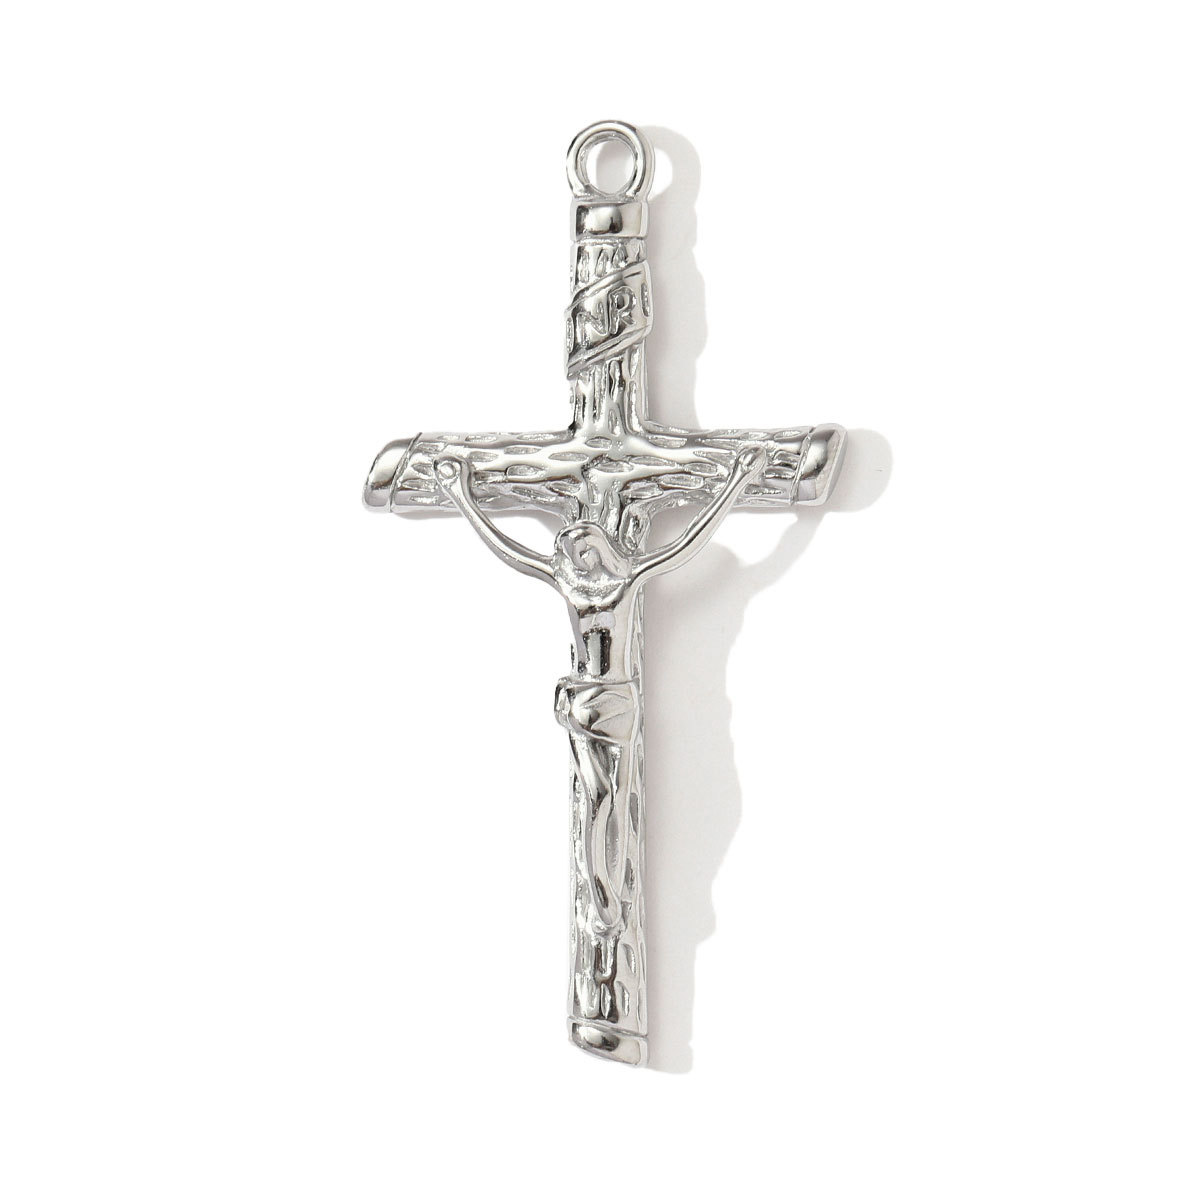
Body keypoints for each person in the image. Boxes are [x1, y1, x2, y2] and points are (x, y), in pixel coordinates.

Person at [434, 448, 766, 932]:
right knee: (603, 794)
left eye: (581, 549)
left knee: (612, 795)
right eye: (574, 552)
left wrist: (460, 492)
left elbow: (685, 545)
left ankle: (607, 887)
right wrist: (460, 496)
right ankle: (601, 888)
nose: (577, 558)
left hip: (600, 699)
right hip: (599, 699)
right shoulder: (605, 581)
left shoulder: (601, 580)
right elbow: (511, 551)